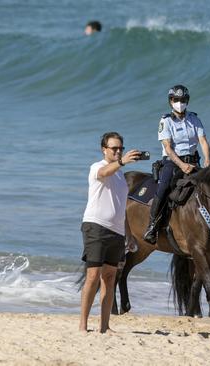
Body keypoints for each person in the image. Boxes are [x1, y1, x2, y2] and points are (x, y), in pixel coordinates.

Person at [79, 132, 140, 333]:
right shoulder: (97, 167)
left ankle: (104, 326)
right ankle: (83, 325)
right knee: (93, 275)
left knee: (110, 277)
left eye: (120, 148)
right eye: (114, 148)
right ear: (104, 149)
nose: (118, 151)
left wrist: (128, 234)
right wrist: (122, 162)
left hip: (116, 230)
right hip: (96, 226)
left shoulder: (121, 177)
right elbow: (105, 173)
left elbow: (121, 207)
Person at [143, 84, 210, 244]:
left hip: (194, 162)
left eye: (182, 100)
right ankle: (152, 225)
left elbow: (203, 141)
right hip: (172, 163)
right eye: (176, 100)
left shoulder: (195, 119)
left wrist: (207, 160)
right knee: (164, 188)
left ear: (187, 100)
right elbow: (167, 148)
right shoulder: (165, 121)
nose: (179, 103)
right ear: (170, 101)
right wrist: (181, 165)